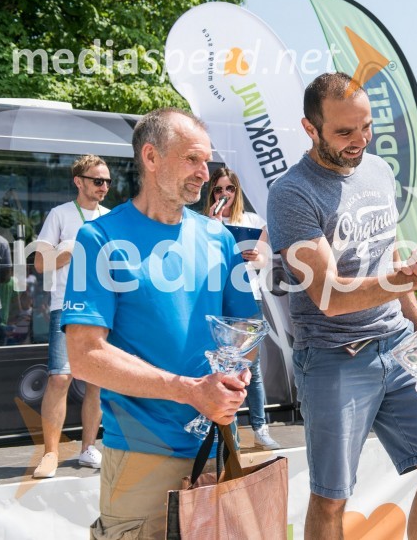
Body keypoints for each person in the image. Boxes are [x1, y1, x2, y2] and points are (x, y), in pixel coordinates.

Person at [266, 72, 417, 539]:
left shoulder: (379, 170)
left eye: (366, 126)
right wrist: (412, 277)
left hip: (399, 347)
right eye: (344, 132)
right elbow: (328, 296)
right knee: (331, 498)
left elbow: (385, 255)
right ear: (310, 128)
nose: (360, 140)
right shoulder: (291, 193)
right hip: (334, 357)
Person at [62, 108, 257, 539]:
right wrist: (190, 390)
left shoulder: (219, 238)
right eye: (192, 159)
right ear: (151, 157)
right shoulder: (100, 238)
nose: (204, 173)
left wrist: (236, 370)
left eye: (206, 161)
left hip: (220, 447)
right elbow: (85, 356)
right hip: (142, 457)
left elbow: (248, 330)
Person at [32, 154, 110, 479]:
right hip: (66, 306)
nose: (104, 186)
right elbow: (40, 263)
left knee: (96, 381)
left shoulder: (111, 217)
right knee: (60, 378)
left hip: (101, 307)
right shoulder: (60, 214)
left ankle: (88, 448)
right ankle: (50, 453)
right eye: (98, 180)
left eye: (107, 181)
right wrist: (72, 250)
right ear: (79, 181)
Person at [203, 166, 281, 450]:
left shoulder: (252, 220)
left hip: (248, 296)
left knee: (251, 367)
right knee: (219, 366)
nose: (224, 194)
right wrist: (212, 226)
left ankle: (260, 428)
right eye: (219, 189)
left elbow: (264, 261)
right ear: (212, 193)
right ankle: (227, 430)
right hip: (217, 298)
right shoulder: (203, 222)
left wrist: (254, 256)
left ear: (237, 192)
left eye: (230, 188)